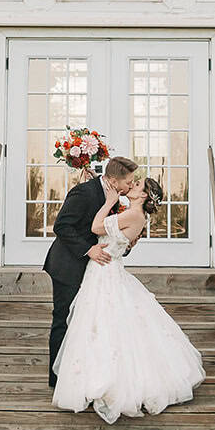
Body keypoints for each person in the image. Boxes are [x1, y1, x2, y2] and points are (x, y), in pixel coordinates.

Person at [50, 176, 206, 423]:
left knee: (103, 324)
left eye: (137, 185)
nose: (131, 186)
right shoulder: (133, 214)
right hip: (103, 269)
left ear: (144, 195)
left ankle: (109, 383)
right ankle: (91, 378)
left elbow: (96, 228)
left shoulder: (133, 214)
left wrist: (109, 201)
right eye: (131, 183)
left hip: (105, 272)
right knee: (98, 327)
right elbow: (120, 241)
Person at [43, 155, 138, 389]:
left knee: (84, 322)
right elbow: (61, 226)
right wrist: (88, 250)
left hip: (94, 270)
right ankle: (57, 380)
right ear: (115, 181)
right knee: (63, 319)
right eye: (129, 181)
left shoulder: (114, 198)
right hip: (68, 265)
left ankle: (79, 374)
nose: (131, 186)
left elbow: (107, 234)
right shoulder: (84, 192)